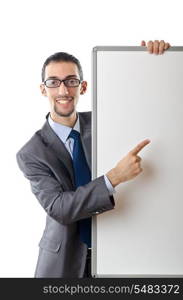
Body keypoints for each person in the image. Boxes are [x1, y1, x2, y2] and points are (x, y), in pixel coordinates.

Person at [16, 40, 170, 278]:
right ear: (43, 89)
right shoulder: (32, 152)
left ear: (83, 86)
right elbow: (59, 208)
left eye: (71, 81)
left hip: (121, 251)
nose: (64, 90)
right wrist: (113, 178)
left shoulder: (105, 121)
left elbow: (143, 107)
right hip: (63, 262)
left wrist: (154, 61)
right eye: (53, 82)